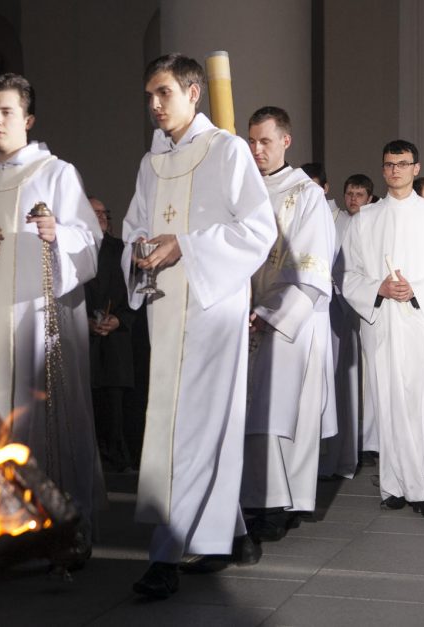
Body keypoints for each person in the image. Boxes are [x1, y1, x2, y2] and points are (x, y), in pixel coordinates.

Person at [121, 53, 276, 598]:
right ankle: (226, 535)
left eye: (163, 93)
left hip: (212, 308)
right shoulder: (151, 162)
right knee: (176, 426)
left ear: (193, 93)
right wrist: (140, 252)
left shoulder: (228, 150)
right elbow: (136, 224)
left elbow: (258, 230)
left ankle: (165, 555)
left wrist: (183, 245)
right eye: (149, 96)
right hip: (165, 310)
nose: (154, 105)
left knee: (191, 429)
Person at [0, 72, 103, 558]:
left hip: (40, 320)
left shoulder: (56, 173)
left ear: (28, 118)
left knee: (46, 419)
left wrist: (58, 234)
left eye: (6, 112)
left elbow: (89, 242)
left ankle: (63, 527)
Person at [339, 140, 424, 517]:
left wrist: (418, 290)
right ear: (383, 170)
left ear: (416, 167)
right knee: (388, 401)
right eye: (389, 164)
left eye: (402, 163)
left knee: (422, 405)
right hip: (382, 321)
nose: (395, 170)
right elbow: (347, 274)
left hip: (422, 320)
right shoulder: (366, 218)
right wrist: (377, 287)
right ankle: (393, 485)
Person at [241, 106, 336, 539]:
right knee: (252, 412)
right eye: (252, 141)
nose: (257, 150)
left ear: (285, 141)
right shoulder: (242, 191)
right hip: (242, 318)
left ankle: (280, 503)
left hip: (290, 319)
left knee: (281, 412)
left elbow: (312, 263)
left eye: (265, 141)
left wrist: (269, 311)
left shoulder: (306, 195)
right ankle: (260, 499)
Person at [84, 197, 135, 473]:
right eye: (96, 212)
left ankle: (117, 459)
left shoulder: (123, 251)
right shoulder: (74, 250)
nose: (102, 217)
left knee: (115, 407)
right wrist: (83, 323)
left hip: (116, 340)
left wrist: (119, 319)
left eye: (105, 212)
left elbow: (137, 291)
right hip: (84, 340)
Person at [331, 174, 377, 470]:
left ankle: (372, 441)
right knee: (344, 377)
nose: (353, 199)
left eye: (359, 194)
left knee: (370, 378)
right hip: (337, 304)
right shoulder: (334, 222)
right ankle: (345, 442)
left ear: (370, 198)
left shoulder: (374, 223)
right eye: (349, 193)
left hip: (368, 307)